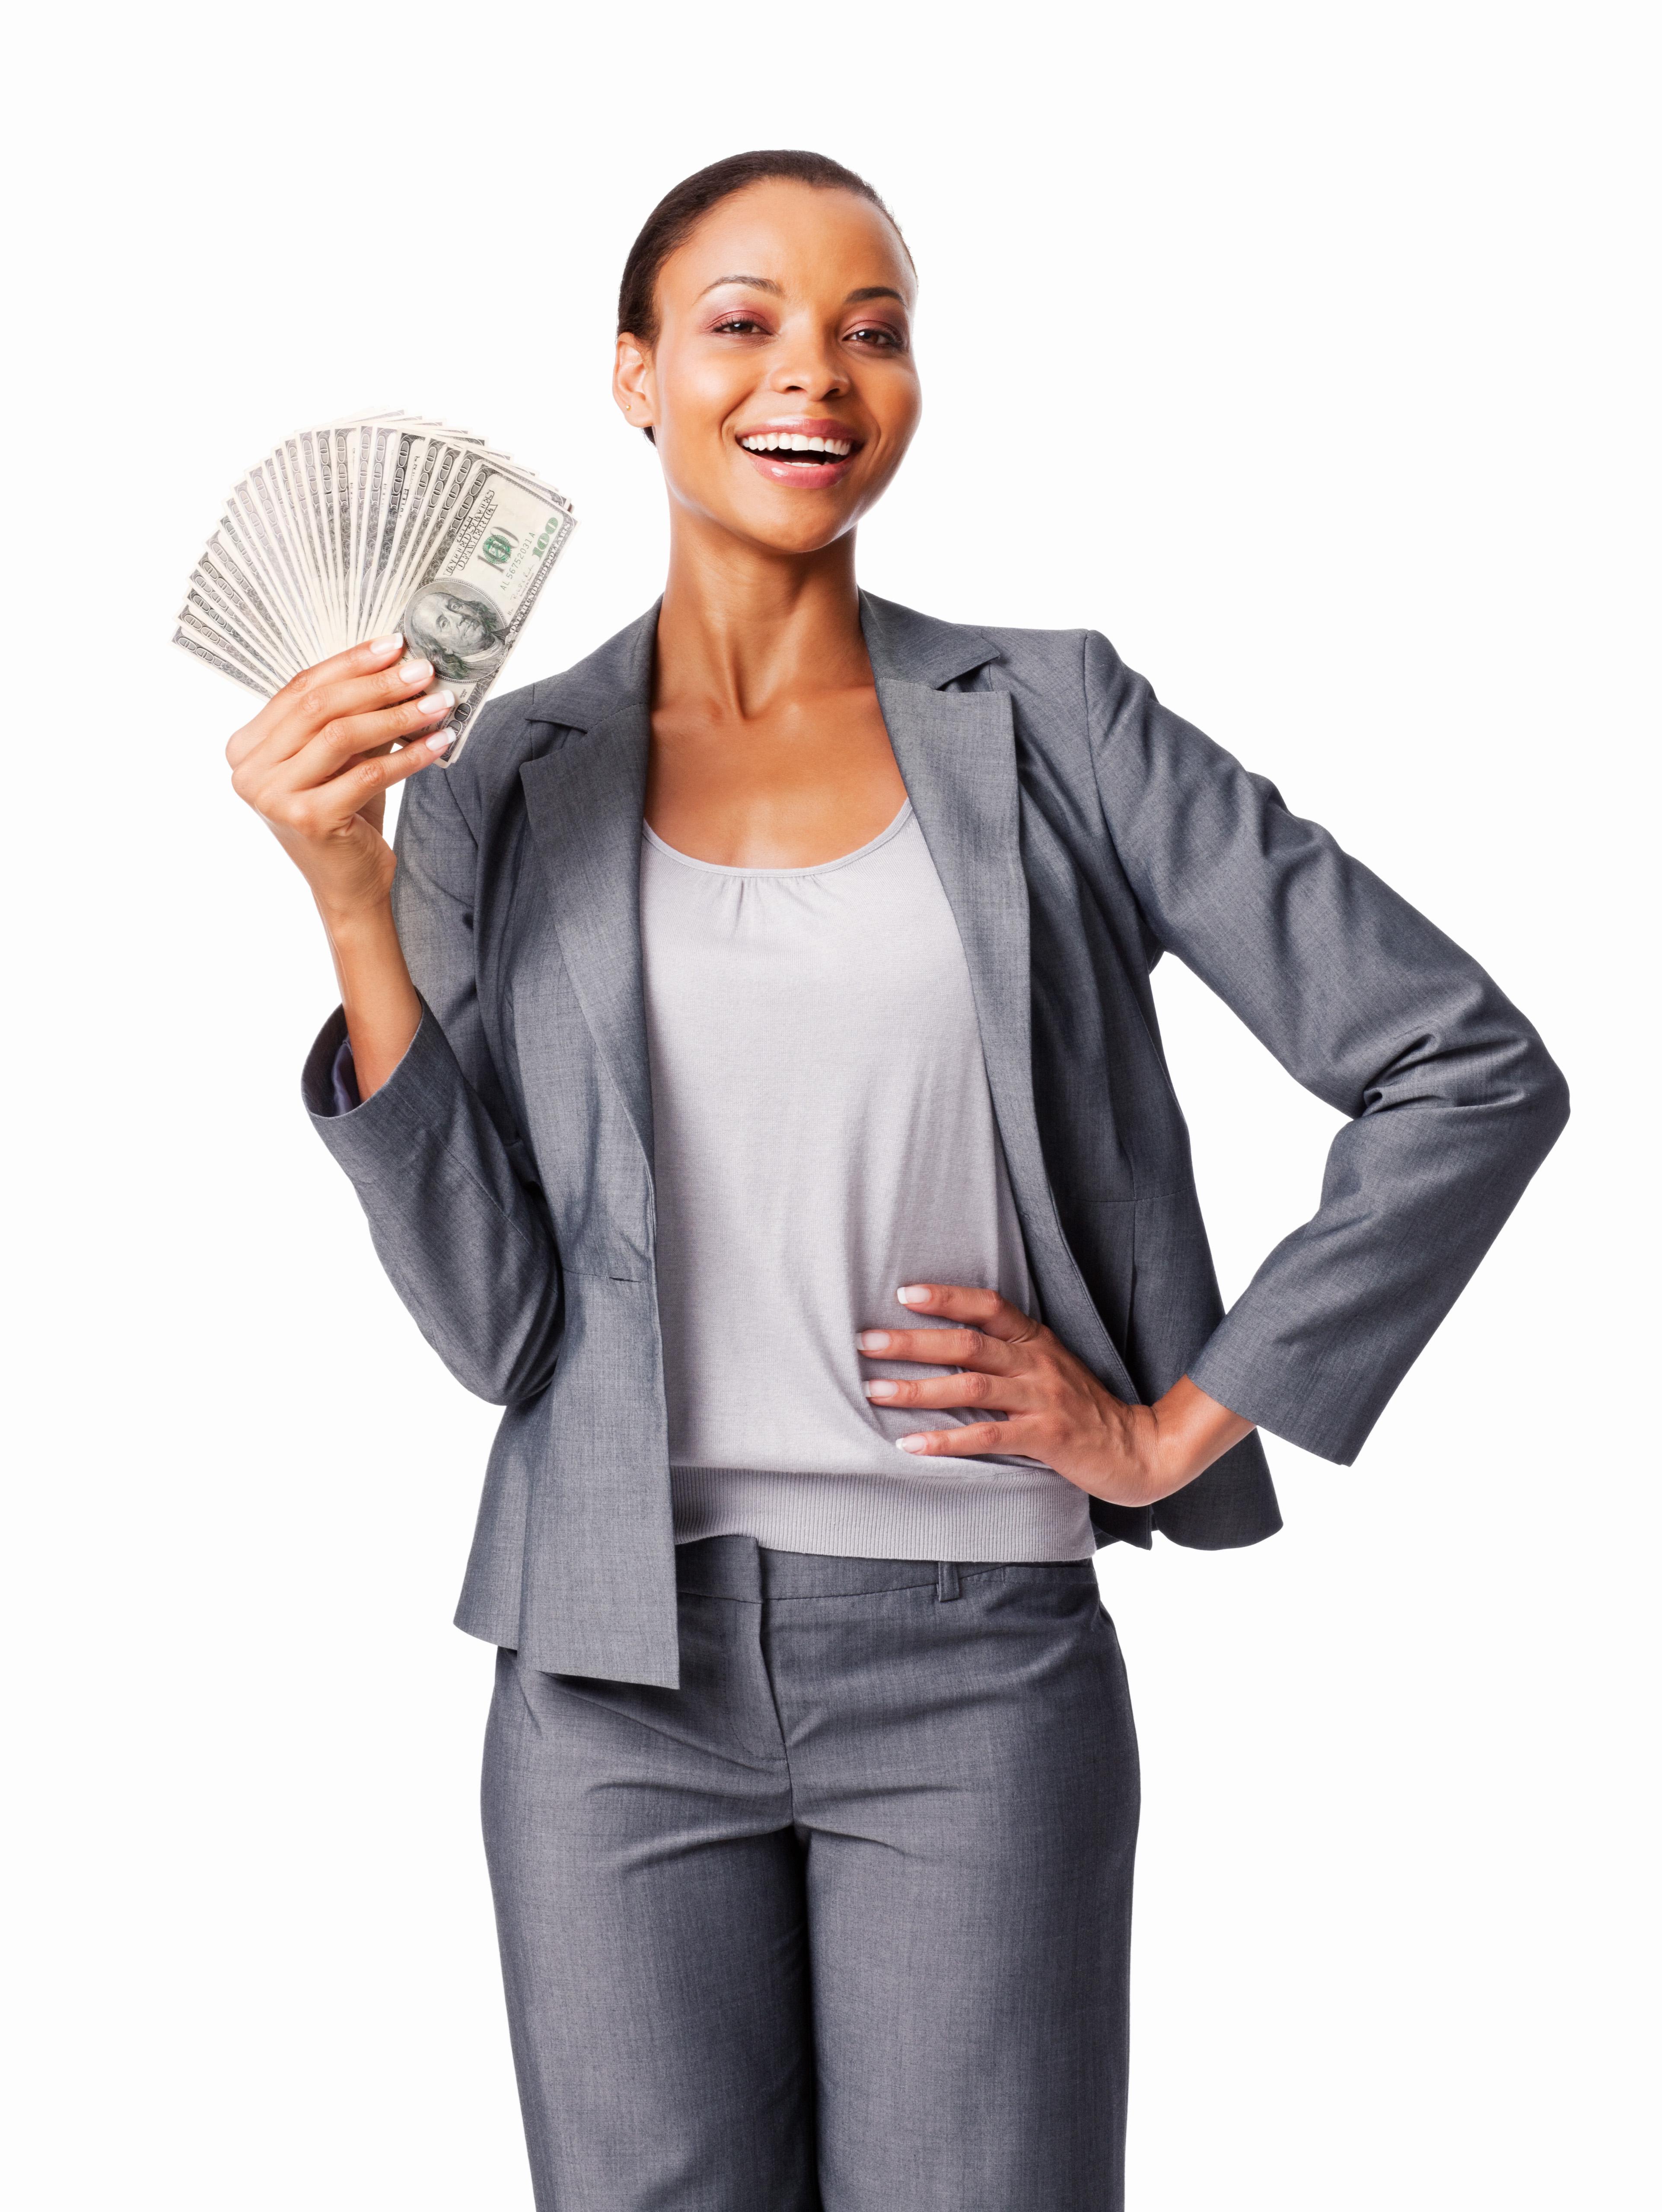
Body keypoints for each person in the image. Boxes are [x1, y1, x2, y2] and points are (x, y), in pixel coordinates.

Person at [224, 149, 1568, 2212]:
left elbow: (1459, 1066)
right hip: (605, 1673)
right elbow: (497, 1324)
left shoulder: (1054, 718)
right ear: (633, 375)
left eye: (873, 331)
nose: (816, 375)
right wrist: (349, 900)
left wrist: (1171, 1422)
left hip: (976, 1662)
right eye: (743, 322)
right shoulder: (504, 780)